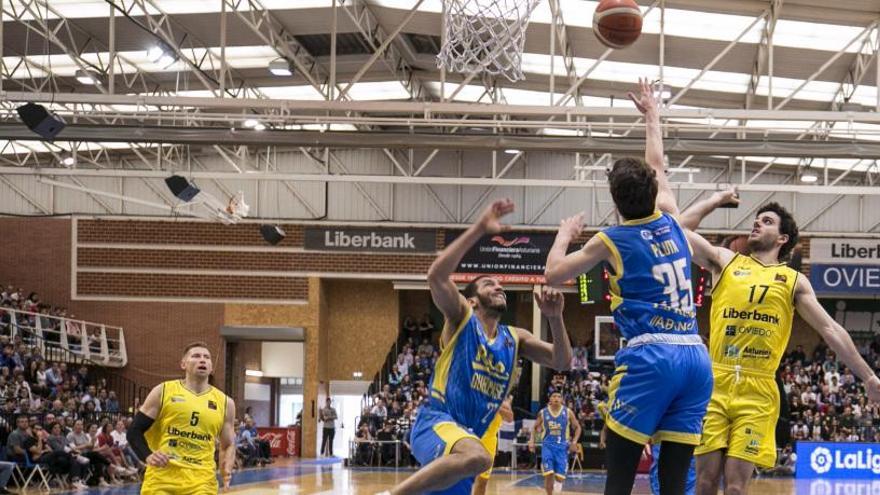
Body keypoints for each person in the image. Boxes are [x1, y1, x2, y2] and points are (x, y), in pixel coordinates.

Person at [626, 77, 880, 495]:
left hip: (760, 387)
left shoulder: (793, 280)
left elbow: (831, 331)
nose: (757, 222)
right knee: (705, 484)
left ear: (782, 239)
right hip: (716, 379)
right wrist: (654, 119)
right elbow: (669, 220)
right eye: (757, 217)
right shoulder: (726, 261)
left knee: (736, 489)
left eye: (767, 221)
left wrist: (868, 378)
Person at [544, 80, 713, 495]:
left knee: (619, 477)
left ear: (615, 202)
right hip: (695, 356)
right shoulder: (671, 218)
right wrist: (652, 114)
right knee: (673, 483)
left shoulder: (611, 240)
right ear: (655, 191)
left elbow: (553, 275)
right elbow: (657, 161)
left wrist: (564, 235)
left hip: (651, 355)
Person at [380, 199, 573, 495]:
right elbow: (436, 276)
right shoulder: (461, 319)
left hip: (466, 442)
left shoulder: (515, 337)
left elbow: (561, 361)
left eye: (500, 284)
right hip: (436, 423)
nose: (498, 287)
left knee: (474, 458)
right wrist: (479, 229)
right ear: (472, 300)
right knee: (481, 456)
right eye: (488, 284)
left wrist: (555, 319)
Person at [127, 342, 236, 494]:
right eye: (196, 356)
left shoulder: (226, 403)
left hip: (202, 481)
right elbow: (134, 431)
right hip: (162, 478)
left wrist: (227, 469)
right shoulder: (163, 391)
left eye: (207, 357)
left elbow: (228, 444)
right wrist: (147, 456)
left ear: (211, 367)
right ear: (183, 364)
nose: (202, 360)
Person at [528, 392, 581, 495]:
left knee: (559, 478)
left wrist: (574, 442)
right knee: (549, 474)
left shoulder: (568, 412)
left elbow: (578, 427)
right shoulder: (543, 412)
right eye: (554, 396)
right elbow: (534, 427)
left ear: (562, 400)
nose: (556, 398)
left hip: (562, 448)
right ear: (550, 399)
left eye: (559, 396)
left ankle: (557, 488)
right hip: (547, 446)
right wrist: (531, 441)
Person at [472, 396, 514, 495]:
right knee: (461, 480)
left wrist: (496, 407)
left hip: (489, 442)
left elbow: (510, 418)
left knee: (482, 481)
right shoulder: (475, 395)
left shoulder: (501, 402)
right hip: (471, 437)